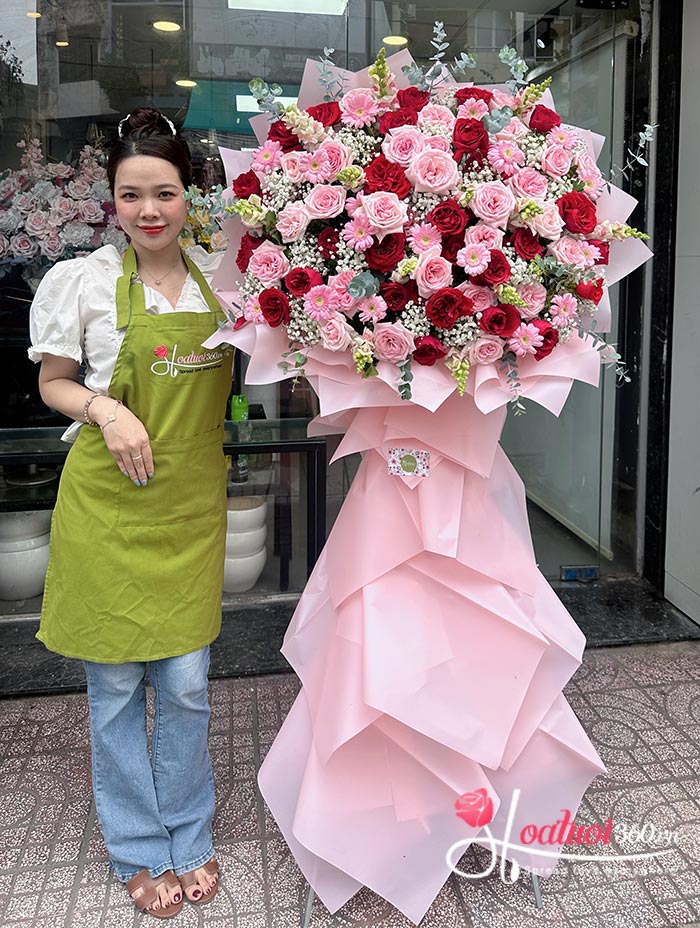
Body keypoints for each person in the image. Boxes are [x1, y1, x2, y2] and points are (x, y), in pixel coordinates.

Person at [28, 107, 233, 920]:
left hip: (186, 508)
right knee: (113, 687)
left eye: (166, 193)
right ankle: (138, 847)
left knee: (185, 685)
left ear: (190, 197)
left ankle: (189, 832)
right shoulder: (80, 282)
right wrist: (108, 412)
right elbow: (53, 382)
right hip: (108, 506)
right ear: (110, 201)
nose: (149, 211)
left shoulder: (230, 281)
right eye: (130, 195)